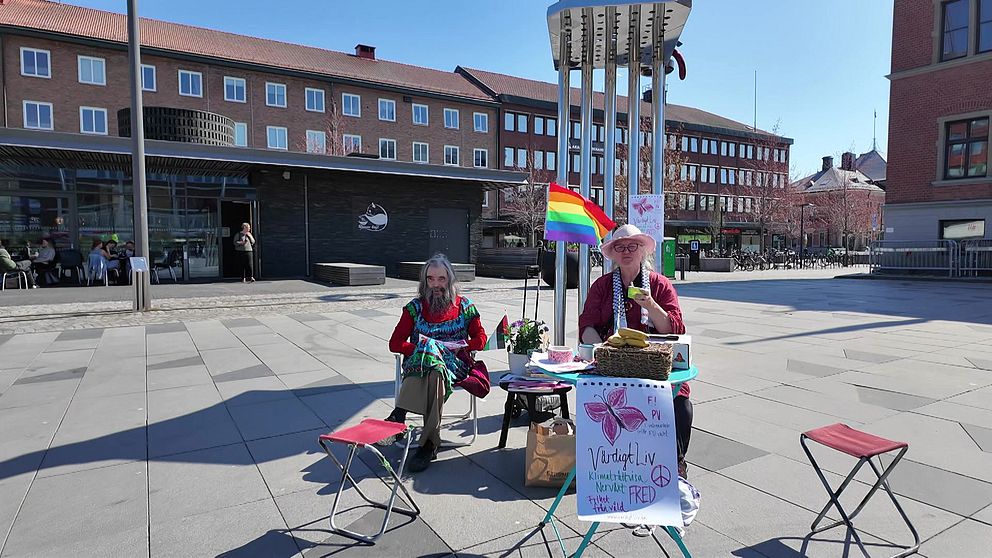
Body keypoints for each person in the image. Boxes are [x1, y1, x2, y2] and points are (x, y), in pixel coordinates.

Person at [578, 224, 692, 478]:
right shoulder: (603, 286)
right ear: (614, 254)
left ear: (642, 251)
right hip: (612, 365)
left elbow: (674, 328)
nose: (626, 251)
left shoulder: (659, 284)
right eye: (620, 247)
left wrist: (650, 304)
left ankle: (676, 462)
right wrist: (603, 350)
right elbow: (586, 325)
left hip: (653, 366)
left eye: (632, 246)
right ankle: (606, 463)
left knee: (681, 403)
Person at [386, 254, 488, 472]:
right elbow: (395, 343)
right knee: (432, 366)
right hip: (421, 366)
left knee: (433, 355)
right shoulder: (414, 308)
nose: (436, 285)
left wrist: (464, 346)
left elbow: (481, 338)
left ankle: (399, 415)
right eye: (430, 279)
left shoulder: (464, 307)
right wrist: (422, 348)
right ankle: (430, 443)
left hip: (455, 365)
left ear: (450, 280)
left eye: (441, 279)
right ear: (424, 282)